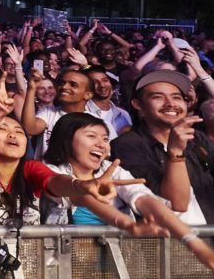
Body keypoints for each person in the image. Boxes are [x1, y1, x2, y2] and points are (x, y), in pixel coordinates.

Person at [0, 73, 144, 226]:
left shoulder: (30, 169)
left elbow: (56, 183)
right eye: (3, 129)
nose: (13, 135)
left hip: (33, 263)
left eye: (19, 131)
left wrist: (80, 186)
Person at [41, 113, 214, 268]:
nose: (101, 145)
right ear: (66, 139)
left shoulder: (112, 169)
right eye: (91, 136)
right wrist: (128, 225)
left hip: (121, 262)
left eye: (105, 139)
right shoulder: (52, 171)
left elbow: (145, 200)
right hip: (67, 265)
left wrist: (194, 243)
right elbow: (84, 198)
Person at [111, 70, 214, 223]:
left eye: (177, 97)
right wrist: (176, 154)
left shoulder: (197, 138)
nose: (171, 103)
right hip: (169, 241)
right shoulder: (127, 145)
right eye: (158, 97)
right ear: (138, 104)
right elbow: (174, 203)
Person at [85, 67, 132, 135]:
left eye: (105, 80)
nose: (102, 85)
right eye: (95, 82)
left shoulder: (124, 114)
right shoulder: (84, 112)